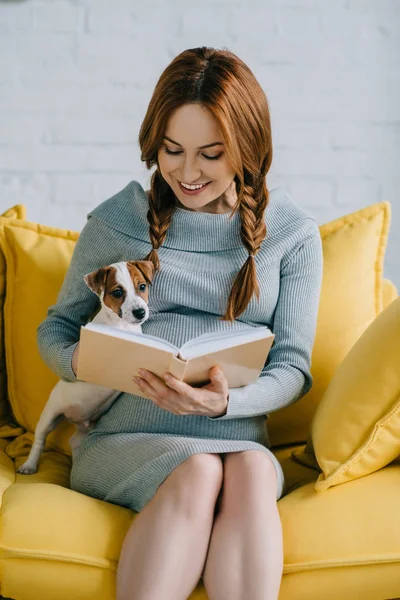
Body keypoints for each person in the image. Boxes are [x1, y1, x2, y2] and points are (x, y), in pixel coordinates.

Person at [37, 46, 323, 600]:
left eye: (211, 154)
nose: (187, 173)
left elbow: (292, 367)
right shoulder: (118, 221)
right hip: (128, 435)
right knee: (197, 471)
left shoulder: (291, 234)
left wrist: (223, 404)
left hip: (237, 435)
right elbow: (56, 329)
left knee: (249, 473)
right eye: (172, 150)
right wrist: (86, 359)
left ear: (248, 148)